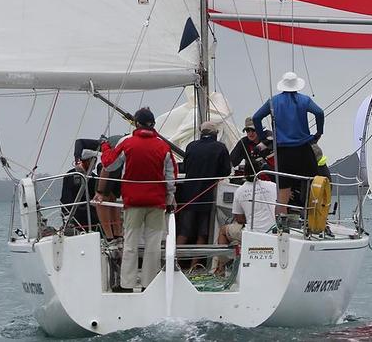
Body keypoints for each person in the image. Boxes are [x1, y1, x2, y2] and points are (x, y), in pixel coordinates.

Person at [99, 107, 177, 292]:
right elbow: (171, 177)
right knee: (153, 245)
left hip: (133, 202)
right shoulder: (163, 147)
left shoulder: (127, 142)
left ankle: (126, 284)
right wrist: (170, 199)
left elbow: (109, 164)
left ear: (136, 123)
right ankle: (149, 285)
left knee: (131, 244)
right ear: (153, 125)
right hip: (157, 203)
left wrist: (104, 146)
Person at [252, 72, 323, 215]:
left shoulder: (273, 101)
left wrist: (262, 138)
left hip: (283, 151)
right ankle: (316, 221)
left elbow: (256, 117)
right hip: (303, 149)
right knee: (314, 184)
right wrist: (318, 133)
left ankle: (281, 224)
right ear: (297, 85)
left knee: (283, 192)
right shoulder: (305, 100)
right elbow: (319, 113)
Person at [176, 122, 231, 266]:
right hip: (207, 196)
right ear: (215, 134)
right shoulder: (220, 147)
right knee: (203, 232)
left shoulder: (191, 146)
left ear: (201, 132)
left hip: (188, 195)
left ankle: (173, 263)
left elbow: (186, 167)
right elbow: (226, 171)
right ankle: (195, 266)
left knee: (184, 231)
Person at [212, 164, 278, 275]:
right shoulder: (272, 186)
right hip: (272, 231)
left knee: (223, 230)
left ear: (244, 174)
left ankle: (220, 269)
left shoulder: (240, 191)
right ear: (260, 172)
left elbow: (240, 219)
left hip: (252, 233)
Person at [59, 148, 98, 233]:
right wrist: (67, 214)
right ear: (88, 161)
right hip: (76, 213)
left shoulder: (93, 177)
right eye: (93, 161)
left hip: (91, 213)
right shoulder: (71, 175)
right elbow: (66, 198)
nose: (94, 164)